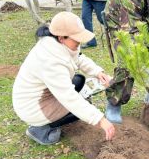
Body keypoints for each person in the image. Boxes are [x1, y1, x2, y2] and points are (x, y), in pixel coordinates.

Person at [12, 12, 117, 146]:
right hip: (34, 106)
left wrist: (98, 72)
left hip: (46, 93)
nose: (79, 42)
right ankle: (38, 129)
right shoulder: (50, 60)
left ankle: (60, 115)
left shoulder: (59, 42)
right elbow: (69, 98)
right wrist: (100, 119)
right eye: (76, 39)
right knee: (78, 109)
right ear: (62, 38)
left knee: (78, 80)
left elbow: (78, 57)